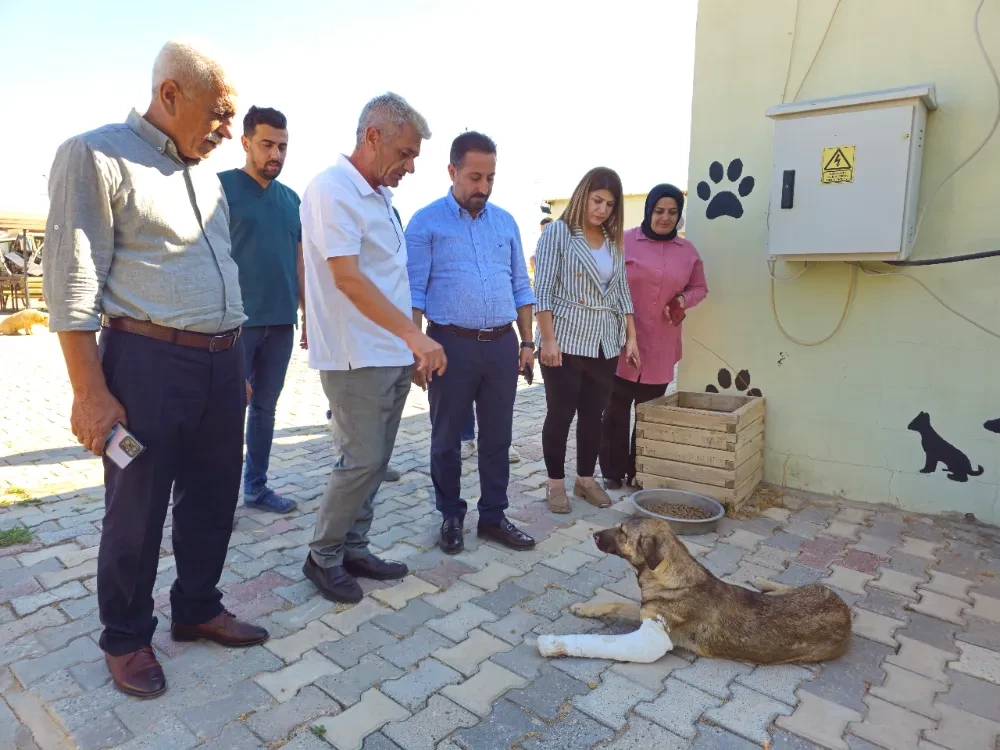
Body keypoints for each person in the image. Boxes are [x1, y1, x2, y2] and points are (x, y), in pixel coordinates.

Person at [42, 40, 269, 699]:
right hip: (144, 366)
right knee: (136, 510)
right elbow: (72, 281)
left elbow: (213, 270)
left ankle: (196, 607)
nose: (231, 129)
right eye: (221, 112)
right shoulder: (95, 155)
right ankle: (126, 637)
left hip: (222, 366)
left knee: (214, 496)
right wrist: (90, 393)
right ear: (171, 94)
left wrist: (232, 362)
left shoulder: (207, 173)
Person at [300, 92, 445, 603]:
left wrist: (409, 346)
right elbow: (349, 279)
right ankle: (322, 556)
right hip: (354, 353)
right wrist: (414, 336)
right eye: (404, 154)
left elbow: (391, 279)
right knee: (359, 460)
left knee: (377, 459)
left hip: (389, 352)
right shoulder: (331, 190)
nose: (409, 167)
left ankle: (353, 547)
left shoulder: (380, 197)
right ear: (372, 137)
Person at [406, 132, 536, 555]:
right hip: (450, 346)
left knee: (497, 437)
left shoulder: (506, 222)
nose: (483, 186)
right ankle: (451, 515)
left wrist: (528, 342)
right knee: (445, 438)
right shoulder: (426, 222)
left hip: (501, 344)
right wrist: (416, 347)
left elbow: (520, 285)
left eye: (490, 177)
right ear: (452, 171)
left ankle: (494, 516)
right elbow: (414, 293)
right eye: (475, 176)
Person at [533, 167, 641, 514]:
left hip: (604, 342)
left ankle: (585, 480)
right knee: (561, 415)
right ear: (583, 196)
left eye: (610, 204)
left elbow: (622, 291)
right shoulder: (559, 234)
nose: (602, 209)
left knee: (594, 416)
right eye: (597, 200)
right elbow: (543, 291)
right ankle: (554, 483)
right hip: (565, 338)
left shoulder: (614, 241)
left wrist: (631, 339)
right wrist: (548, 341)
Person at [219, 106, 303, 514]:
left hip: (281, 322)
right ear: (246, 142)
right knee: (227, 412)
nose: (276, 154)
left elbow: (300, 260)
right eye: (268, 144)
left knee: (265, 408)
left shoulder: (292, 200)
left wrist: (307, 315)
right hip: (236, 326)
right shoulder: (220, 190)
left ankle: (256, 487)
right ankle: (221, 500)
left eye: (283, 147)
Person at [599, 184, 707, 488]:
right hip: (621, 340)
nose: (665, 218)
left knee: (648, 413)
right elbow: (603, 280)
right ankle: (611, 471)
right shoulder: (624, 241)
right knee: (615, 410)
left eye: (672, 212)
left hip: (661, 343)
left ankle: (639, 470)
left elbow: (700, 287)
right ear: (649, 211)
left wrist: (683, 301)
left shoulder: (687, 252)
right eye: (659, 211)